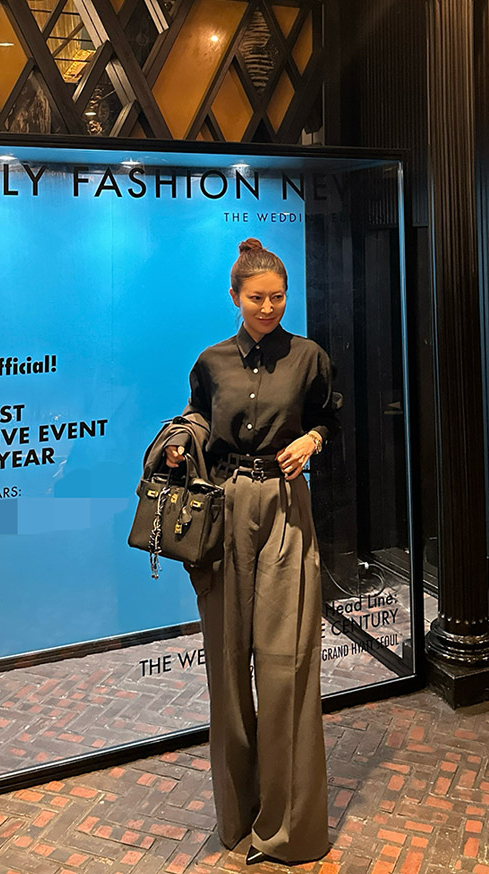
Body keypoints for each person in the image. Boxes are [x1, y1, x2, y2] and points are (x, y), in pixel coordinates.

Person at [161, 239, 340, 865]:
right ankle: (237, 819)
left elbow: (331, 418)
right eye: (257, 298)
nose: (268, 308)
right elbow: (197, 416)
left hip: (287, 509)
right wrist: (181, 441)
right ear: (235, 297)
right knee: (228, 667)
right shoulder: (211, 362)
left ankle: (287, 829)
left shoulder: (309, 357)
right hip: (224, 508)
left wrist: (313, 440)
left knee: (288, 666)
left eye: (278, 297)